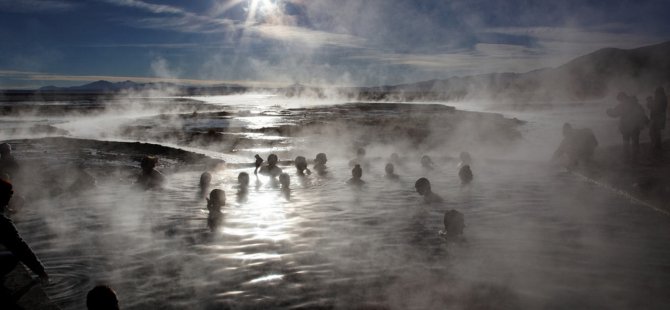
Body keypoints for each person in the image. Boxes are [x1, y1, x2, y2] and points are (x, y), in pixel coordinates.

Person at [0, 180, 49, 284]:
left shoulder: (3, 213)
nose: (11, 195)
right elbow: (20, 248)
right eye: (9, 193)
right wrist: (41, 271)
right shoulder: (2, 222)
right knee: (12, 257)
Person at [607, 92, 648, 162]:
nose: (619, 101)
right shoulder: (636, 104)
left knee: (626, 141)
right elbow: (642, 113)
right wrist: (645, 122)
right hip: (636, 126)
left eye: (619, 99)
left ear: (622, 98)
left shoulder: (623, 105)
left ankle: (627, 155)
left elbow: (615, 114)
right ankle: (636, 155)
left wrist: (608, 111)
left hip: (626, 126)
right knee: (635, 141)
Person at [647, 87, 667, 153]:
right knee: (656, 132)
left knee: (653, 132)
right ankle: (657, 145)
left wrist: (650, 101)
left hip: (656, 117)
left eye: (656, 92)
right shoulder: (663, 98)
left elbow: (654, 108)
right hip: (660, 117)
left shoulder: (660, 98)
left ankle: (656, 145)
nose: (655, 93)